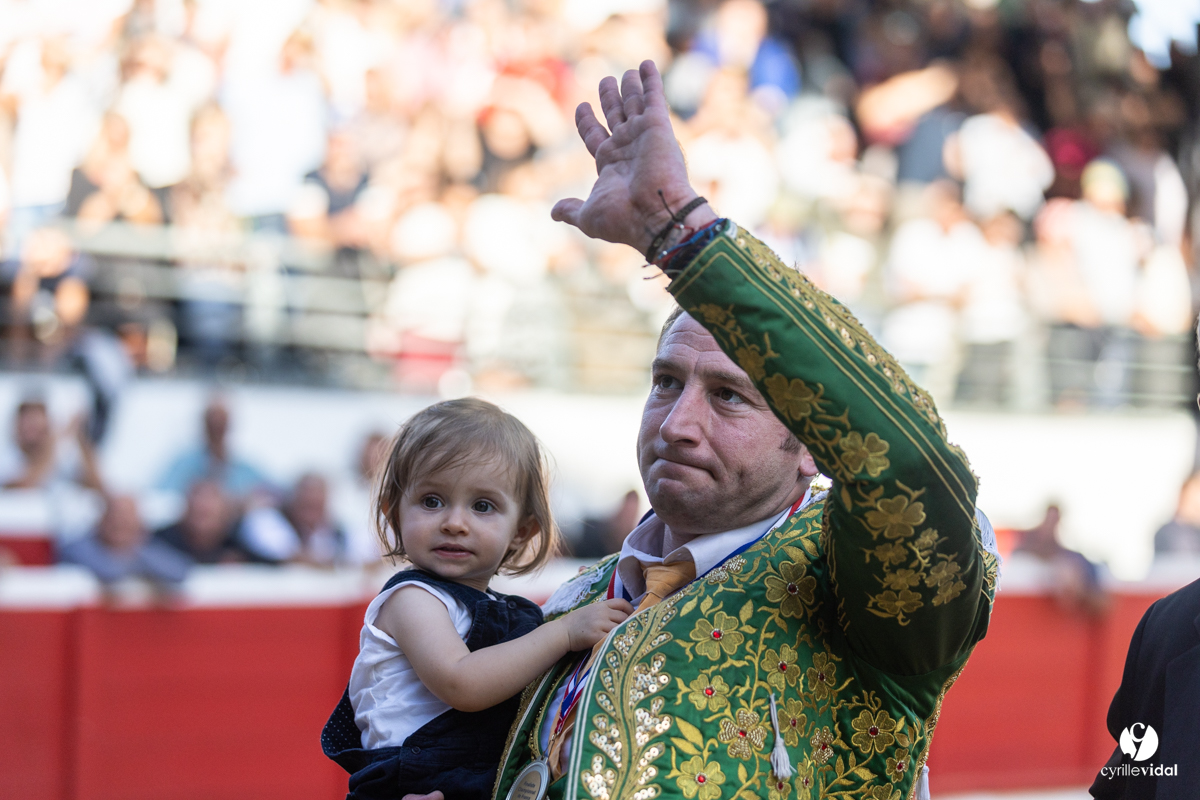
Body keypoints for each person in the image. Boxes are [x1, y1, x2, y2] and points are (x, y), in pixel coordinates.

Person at [479, 61, 996, 800]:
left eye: (730, 397)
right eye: (666, 383)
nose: (679, 424)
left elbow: (909, 461)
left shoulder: (854, 590)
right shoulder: (576, 600)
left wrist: (677, 233)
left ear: (815, 436)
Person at [320, 398, 634, 800]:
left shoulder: (510, 612)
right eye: (432, 501)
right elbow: (462, 681)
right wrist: (565, 633)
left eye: (482, 506)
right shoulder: (411, 599)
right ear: (394, 513)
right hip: (412, 785)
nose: (454, 523)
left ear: (521, 531)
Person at [58, 494, 190, 588]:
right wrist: (139, 564)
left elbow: (179, 572)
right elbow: (109, 572)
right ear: (101, 520)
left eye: (127, 519)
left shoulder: (142, 548)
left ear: (140, 526)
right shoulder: (78, 547)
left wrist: (136, 552)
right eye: (114, 516)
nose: (120, 523)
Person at [156, 396, 270, 497]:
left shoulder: (244, 469)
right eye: (212, 423)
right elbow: (162, 495)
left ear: (228, 427)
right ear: (204, 425)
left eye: (221, 424)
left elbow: (272, 491)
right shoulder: (183, 465)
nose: (216, 429)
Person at [153, 479, 247, 564]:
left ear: (225, 513)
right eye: (197, 497)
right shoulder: (160, 541)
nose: (201, 504)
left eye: (207, 513)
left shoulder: (238, 543)